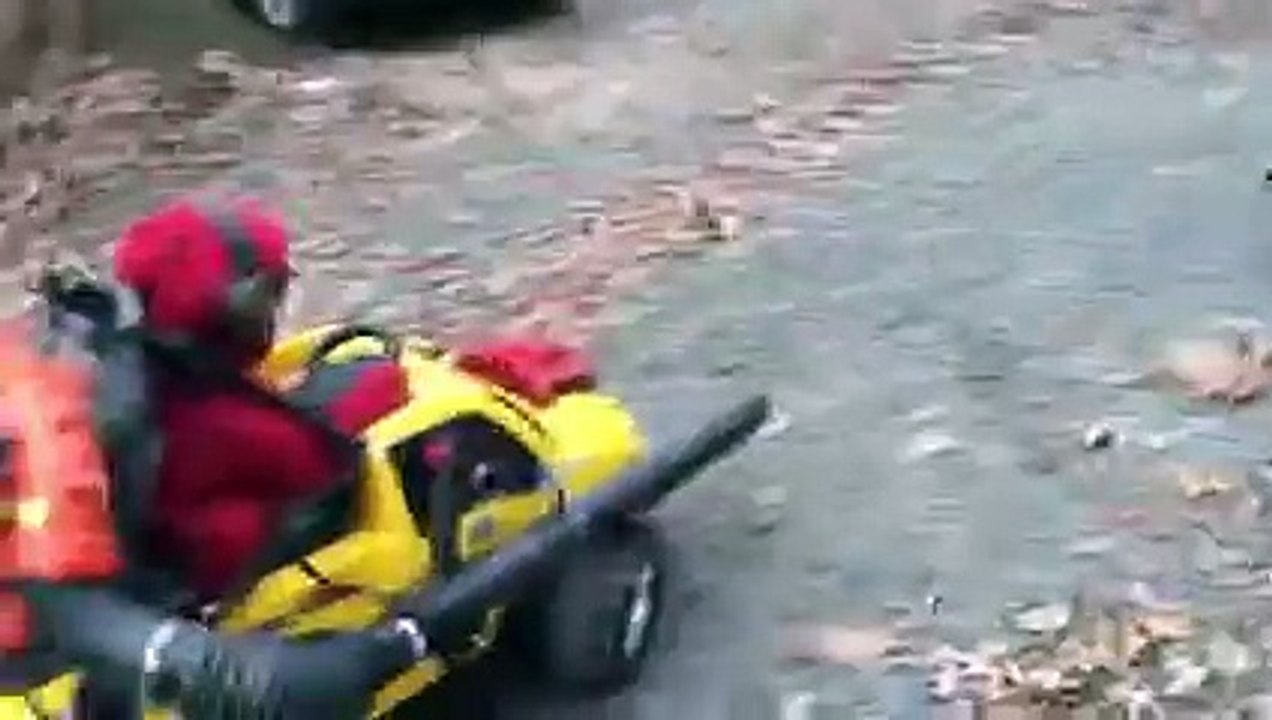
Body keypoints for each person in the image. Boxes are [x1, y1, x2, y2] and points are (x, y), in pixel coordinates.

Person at [112, 196, 407, 601]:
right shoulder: (219, 422)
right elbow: (324, 461)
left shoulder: (137, 375)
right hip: (233, 583)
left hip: (159, 554)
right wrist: (373, 376)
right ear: (237, 306)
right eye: (272, 291)